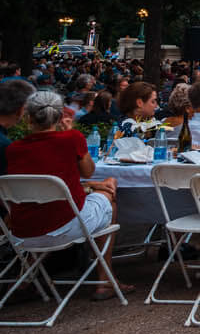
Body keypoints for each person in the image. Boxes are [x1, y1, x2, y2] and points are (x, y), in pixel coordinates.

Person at [4, 91, 121, 297]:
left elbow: (44, 184)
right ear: (59, 117)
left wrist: (90, 186)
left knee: (54, 207)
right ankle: (105, 280)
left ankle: (28, 271)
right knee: (109, 192)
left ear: (28, 117)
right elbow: (88, 171)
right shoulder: (71, 138)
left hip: (23, 234)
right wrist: (71, 134)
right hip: (63, 227)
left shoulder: (14, 149)